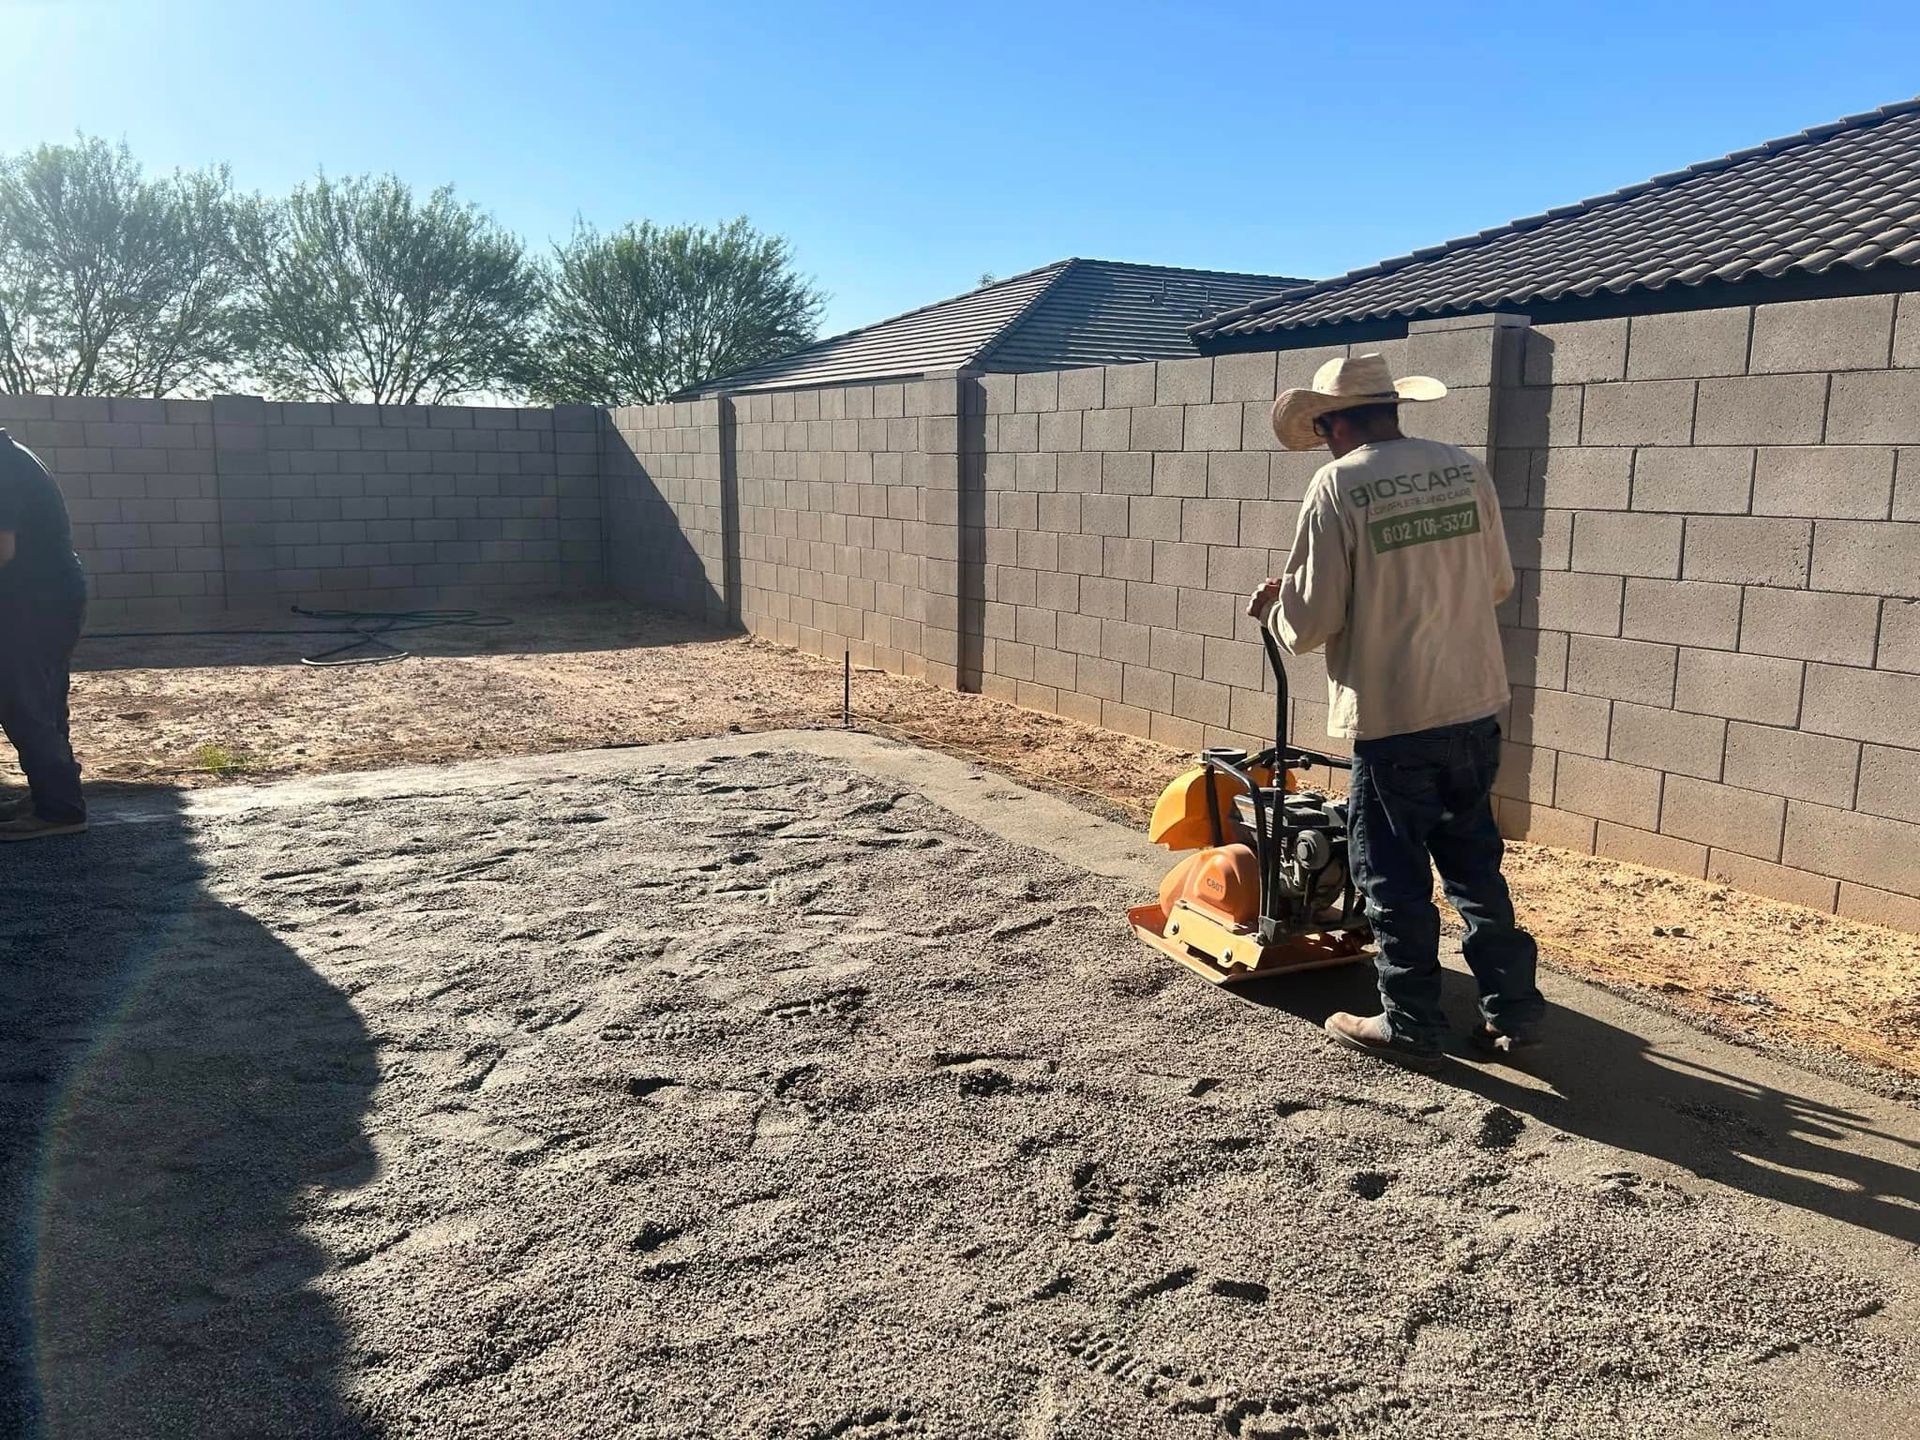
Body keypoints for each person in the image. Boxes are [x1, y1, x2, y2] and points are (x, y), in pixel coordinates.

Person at [1247, 354, 1541, 1070]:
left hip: (1395, 714)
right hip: (1475, 705)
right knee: (1475, 869)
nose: (1321, 441)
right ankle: (1513, 1014)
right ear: (1392, 409)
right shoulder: (1463, 467)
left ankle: (1410, 1020)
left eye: (1321, 428)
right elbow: (1497, 581)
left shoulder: (1338, 484)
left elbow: (1313, 619)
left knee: (1393, 877)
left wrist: (1278, 607)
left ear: (1331, 422)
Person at [0, 428, 88, 840]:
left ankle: (58, 809)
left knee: (22, 701)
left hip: (34, 599)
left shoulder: (5, 465)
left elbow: (3, 548)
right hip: (49, 596)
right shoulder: (14, 455)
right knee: (44, 699)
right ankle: (52, 794)